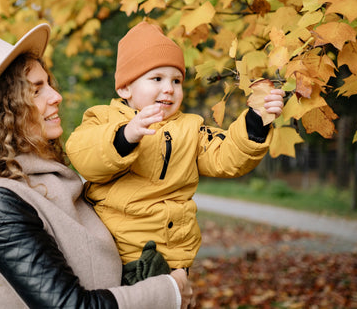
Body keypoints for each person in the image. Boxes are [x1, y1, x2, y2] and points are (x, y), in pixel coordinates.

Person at [0, 23, 193, 308]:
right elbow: (67, 305)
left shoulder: (57, 179)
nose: (56, 96)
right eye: (36, 91)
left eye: (48, 83)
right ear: (4, 111)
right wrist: (170, 291)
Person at [65, 21, 285, 284]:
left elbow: (226, 157)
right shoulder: (104, 118)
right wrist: (127, 135)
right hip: (124, 255)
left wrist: (256, 122)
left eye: (176, 80)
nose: (169, 88)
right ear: (125, 88)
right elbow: (83, 154)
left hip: (175, 255)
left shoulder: (191, 128)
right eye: (156, 78)